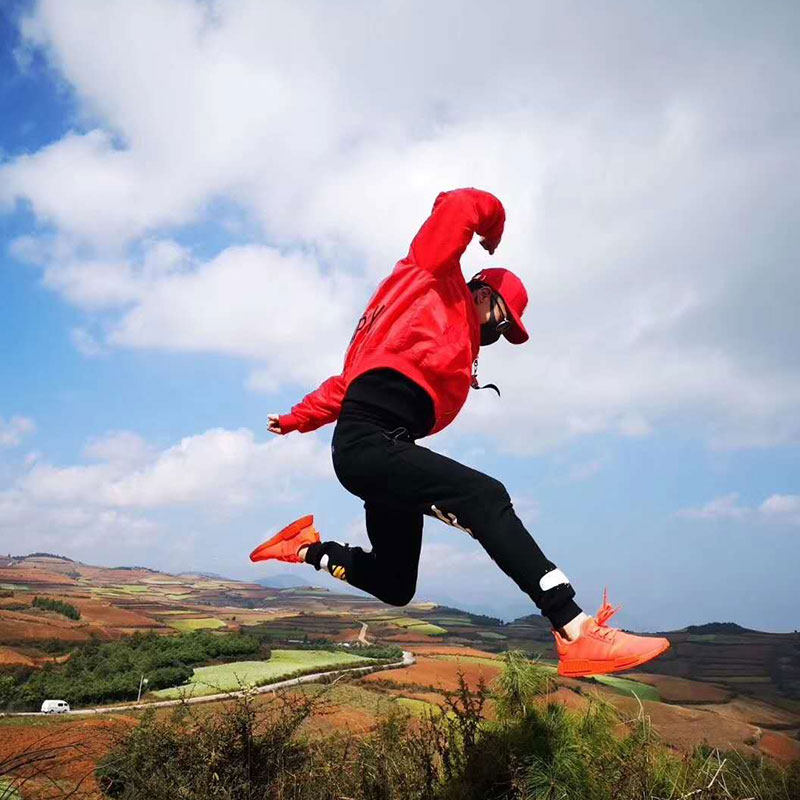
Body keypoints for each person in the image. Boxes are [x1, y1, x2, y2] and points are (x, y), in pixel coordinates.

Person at [252, 188, 669, 677]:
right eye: (502, 318)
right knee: (485, 495)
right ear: (482, 293)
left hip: (384, 449)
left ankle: (304, 547)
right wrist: (491, 232)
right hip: (368, 443)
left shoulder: (441, 345)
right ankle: (573, 628)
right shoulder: (431, 279)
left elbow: (344, 385)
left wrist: (296, 418)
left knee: (395, 583)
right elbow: (462, 203)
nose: (498, 333)